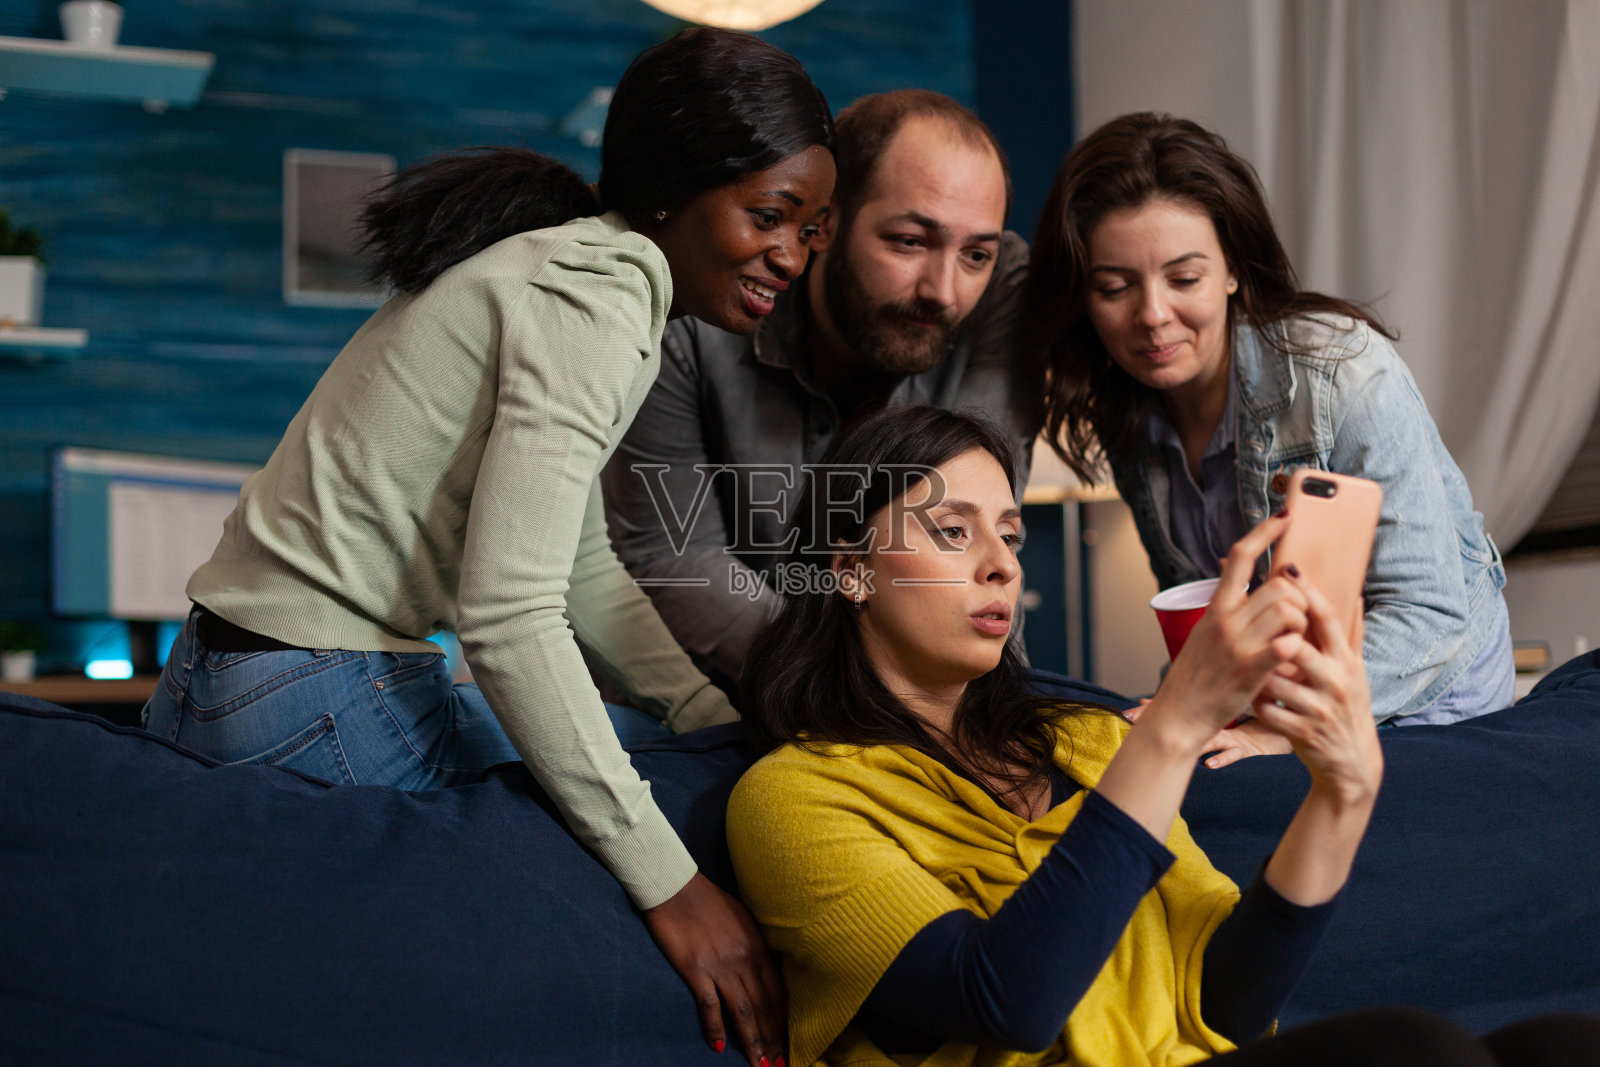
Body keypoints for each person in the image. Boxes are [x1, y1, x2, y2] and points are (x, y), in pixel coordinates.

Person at [141, 27, 836, 1066]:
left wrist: (701, 710)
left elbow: (579, 566)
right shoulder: (597, 295)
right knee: (657, 844)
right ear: (670, 192)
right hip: (314, 695)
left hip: (219, 678)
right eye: (769, 215)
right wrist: (676, 889)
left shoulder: (565, 268)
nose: (791, 254)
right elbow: (509, 619)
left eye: (813, 229)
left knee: (672, 756)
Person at [726, 405, 1600, 1067]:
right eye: (953, 532)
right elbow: (1007, 1000)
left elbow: (1224, 996)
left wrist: (1345, 790)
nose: (1000, 561)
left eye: (1011, 532)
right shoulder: (794, 797)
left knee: (1566, 1044)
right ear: (848, 570)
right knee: (1417, 1051)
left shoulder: (1081, 740)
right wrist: (1177, 719)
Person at [1028, 112, 1513, 764]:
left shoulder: (1340, 373)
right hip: (1281, 706)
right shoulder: (1129, 418)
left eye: (1184, 278)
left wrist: (1270, 722)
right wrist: (1177, 708)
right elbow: (1207, 617)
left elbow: (1429, 616)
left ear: (1231, 269)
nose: (1151, 315)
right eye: (1114, 287)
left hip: (1431, 699)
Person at [601, 89, 1038, 685]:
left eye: (975, 255)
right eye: (909, 242)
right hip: (730, 699)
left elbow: (977, 538)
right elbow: (676, 558)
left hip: (937, 695)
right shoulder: (695, 313)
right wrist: (855, 686)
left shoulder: (1004, 291)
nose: (944, 290)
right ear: (823, 224)